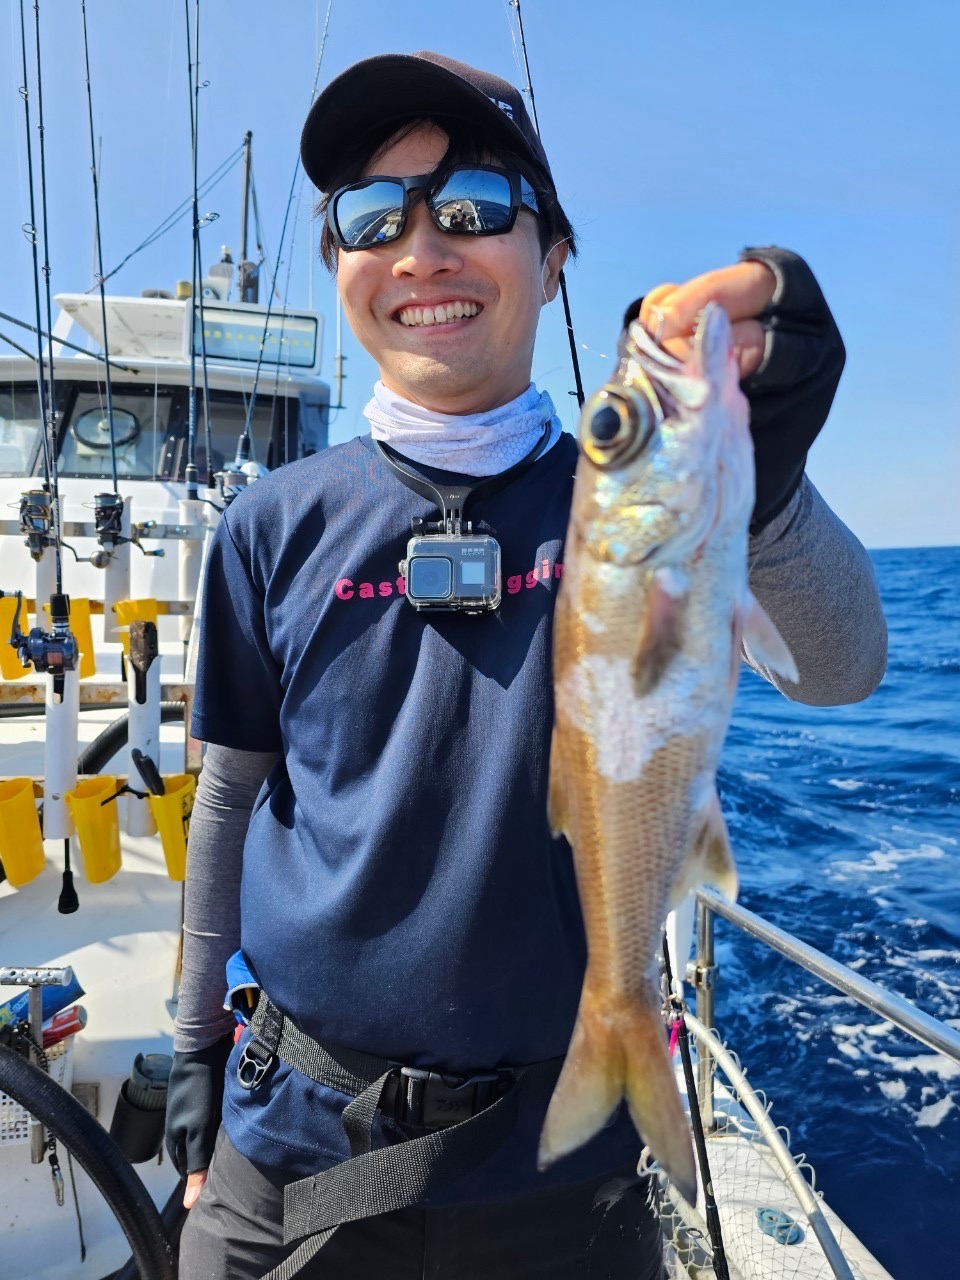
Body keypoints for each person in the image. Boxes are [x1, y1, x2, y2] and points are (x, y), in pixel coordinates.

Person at [166, 50, 888, 1280]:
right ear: (339, 265)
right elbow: (233, 797)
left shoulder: (625, 494)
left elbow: (842, 667)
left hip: (563, 1172)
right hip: (291, 1154)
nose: (421, 249)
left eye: (474, 208)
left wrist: (755, 484)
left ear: (554, 258)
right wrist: (191, 1051)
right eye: (368, 215)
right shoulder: (269, 526)